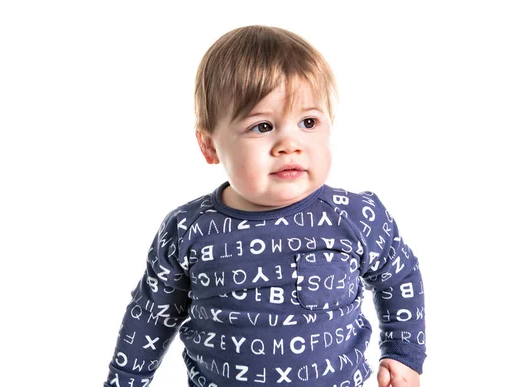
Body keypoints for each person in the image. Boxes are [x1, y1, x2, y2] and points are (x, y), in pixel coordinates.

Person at [103, 25, 426, 387]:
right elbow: (151, 314)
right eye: (262, 126)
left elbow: (400, 276)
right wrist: (124, 380)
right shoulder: (188, 230)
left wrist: (402, 352)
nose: (289, 143)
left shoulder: (354, 217)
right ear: (208, 146)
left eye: (308, 122)